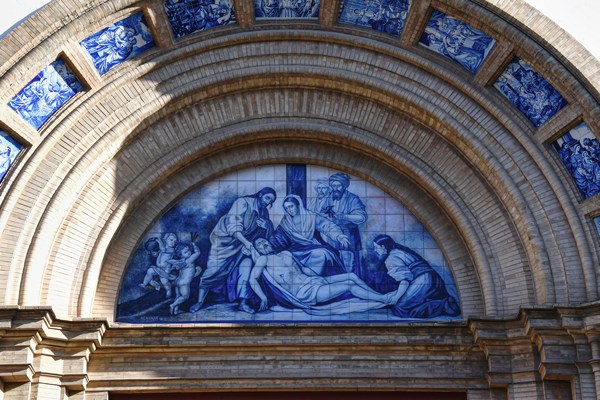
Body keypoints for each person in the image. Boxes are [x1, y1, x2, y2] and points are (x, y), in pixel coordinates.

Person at [247, 238, 401, 313]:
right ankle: (384, 299)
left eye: (264, 241)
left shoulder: (286, 254)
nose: (264, 244)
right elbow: (252, 279)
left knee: (351, 276)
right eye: (259, 245)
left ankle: (377, 295)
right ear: (258, 250)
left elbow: (305, 270)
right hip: (304, 292)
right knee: (349, 285)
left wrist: (320, 278)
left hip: (313, 281)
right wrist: (263, 298)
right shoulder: (263, 260)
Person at [190, 187, 276, 313]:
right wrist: (246, 243)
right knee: (213, 271)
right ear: (260, 194)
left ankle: (243, 303)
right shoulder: (243, 202)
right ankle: (199, 301)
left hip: (245, 247)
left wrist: (267, 226)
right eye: (267, 198)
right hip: (226, 243)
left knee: (245, 271)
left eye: (271, 201)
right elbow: (233, 224)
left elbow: (264, 235)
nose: (268, 202)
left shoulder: (264, 212)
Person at [372, 234, 460, 319]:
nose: (375, 250)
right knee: (407, 299)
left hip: (423, 282)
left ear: (383, 247)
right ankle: (439, 302)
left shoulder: (391, 259)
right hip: (434, 279)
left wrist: (396, 297)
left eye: (376, 247)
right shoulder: (398, 250)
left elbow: (405, 280)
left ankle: (443, 305)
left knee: (399, 307)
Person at [269, 195, 349, 277]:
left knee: (323, 253)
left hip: (313, 246)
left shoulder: (311, 216)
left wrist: (339, 236)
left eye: (291, 206)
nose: (289, 210)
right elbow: (277, 238)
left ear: (298, 205)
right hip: (295, 251)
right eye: (286, 208)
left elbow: (327, 226)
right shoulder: (285, 222)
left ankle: (318, 279)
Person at [319, 173, 368, 277]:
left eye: (338, 186)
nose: (335, 189)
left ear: (345, 186)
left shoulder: (353, 199)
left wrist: (344, 216)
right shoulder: (329, 197)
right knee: (334, 260)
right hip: (332, 236)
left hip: (349, 235)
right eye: (333, 186)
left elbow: (362, 217)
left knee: (350, 262)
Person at [138, 233, 178, 297]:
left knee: (164, 282)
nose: (173, 242)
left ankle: (168, 291)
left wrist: (159, 241)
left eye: (174, 241)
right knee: (149, 271)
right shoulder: (163, 249)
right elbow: (160, 254)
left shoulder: (171, 249)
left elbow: (164, 250)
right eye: (171, 240)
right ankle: (145, 284)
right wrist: (155, 253)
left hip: (165, 270)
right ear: (165, 239)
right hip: (158, 267)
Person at [169, 243, 201, 315]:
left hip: (178, 281)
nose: (189, 252)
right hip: (184, 283)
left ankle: (176, 311)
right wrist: (194, 245)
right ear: (181, 255)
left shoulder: (181, 262)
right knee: (185, 297)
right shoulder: (189, 260)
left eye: (189, 250)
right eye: (185, 252)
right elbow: (198, 252)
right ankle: (173, 305)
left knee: (178, 296)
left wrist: (197, 272)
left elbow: (190, 274)